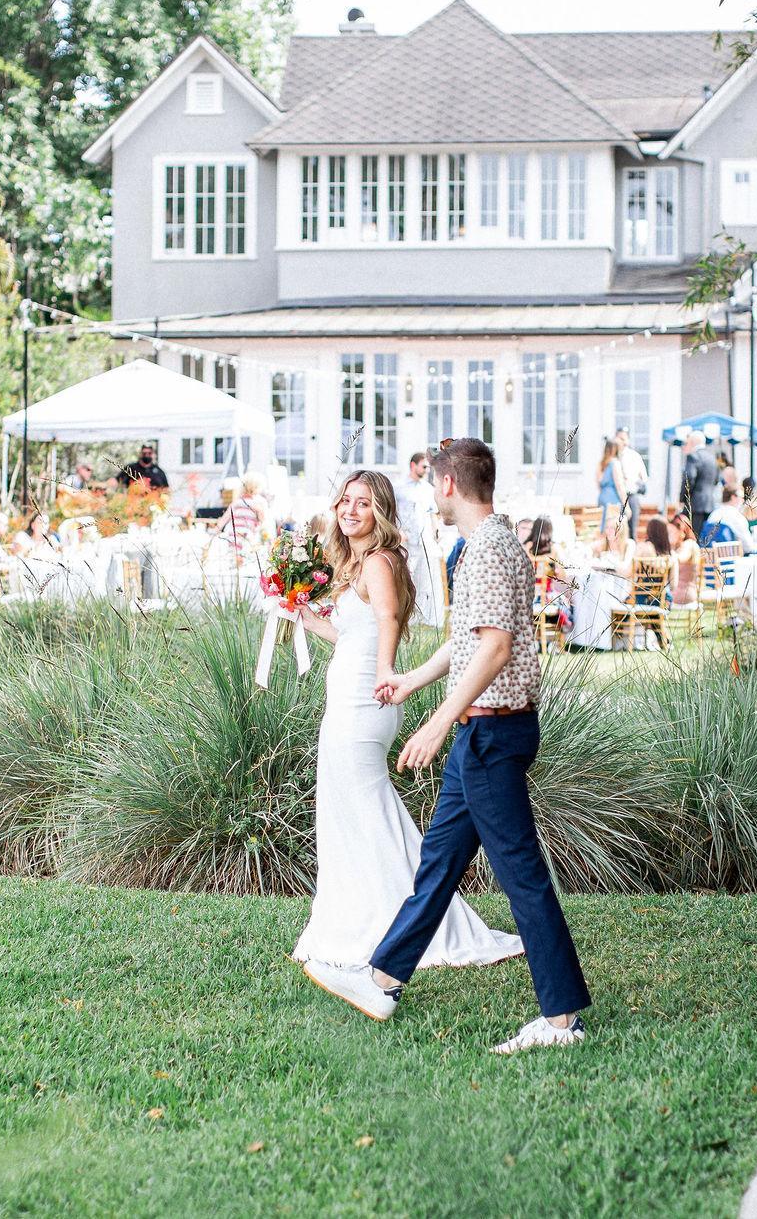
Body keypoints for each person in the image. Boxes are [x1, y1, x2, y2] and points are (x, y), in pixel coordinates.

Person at [302, 438, 592, 1055]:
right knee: (436, 865)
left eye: (434, 482)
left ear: (450, 485)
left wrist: (437, 723)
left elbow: (494, 648)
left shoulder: (486, 550)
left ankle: (561, 1019)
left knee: (522, 878)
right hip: (481, 731)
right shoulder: (493, 542)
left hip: (491, 730)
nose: (432, 493)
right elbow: (466, 641)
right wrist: (413, 680)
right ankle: (382, 979)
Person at [291, 469, 523, 976]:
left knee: (367, 811)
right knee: (352, 810)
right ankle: (366, 916)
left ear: (380, 511)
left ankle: (392, 925)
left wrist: (384, 673)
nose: (350, 510)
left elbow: (388, 622)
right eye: (345, 501)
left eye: (363, 503)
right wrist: (305, 618)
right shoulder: (359, 563)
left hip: (365, 700)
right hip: (349, 695)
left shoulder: (378, 560)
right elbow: (354, 636)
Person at [678, 433, 721, 539]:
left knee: (691, 537)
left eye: (687, 443)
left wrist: (682, 499)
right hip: (710, 504)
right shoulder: (712, 458)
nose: (685, 445)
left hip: (694, 504)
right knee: (705, 537)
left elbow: (689, 479)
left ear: (692, 442)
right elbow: (716, 480)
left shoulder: (693, 457)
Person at [613, 428, 649, 536]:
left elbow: (643, 478)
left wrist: (632, 481)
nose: (621, 441)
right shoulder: (612, 456)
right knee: (616, 531)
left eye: (623, 439)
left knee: (631, 530)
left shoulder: (634, 456)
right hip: (615, 498)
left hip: (631, 496)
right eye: (619, 438)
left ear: (628, 440)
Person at [215, 475, 267, 546]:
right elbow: (262, 521)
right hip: (248, 537)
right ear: (256, 488)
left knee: (233, 552)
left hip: (233, 536)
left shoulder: (236, 503)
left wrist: (215, 531)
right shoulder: (257, 505)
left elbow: (224, 519)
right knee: (247, 551)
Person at [400, 451, 437, 538]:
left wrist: (436, 532)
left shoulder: (429, 489)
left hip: (425, 541)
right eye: (424, 467)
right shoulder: (398, 487)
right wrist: (398, 532)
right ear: (413, 465)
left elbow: (433, 513)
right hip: (405, 541)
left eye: (428, 467)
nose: (427, 470)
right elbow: (390, 513)